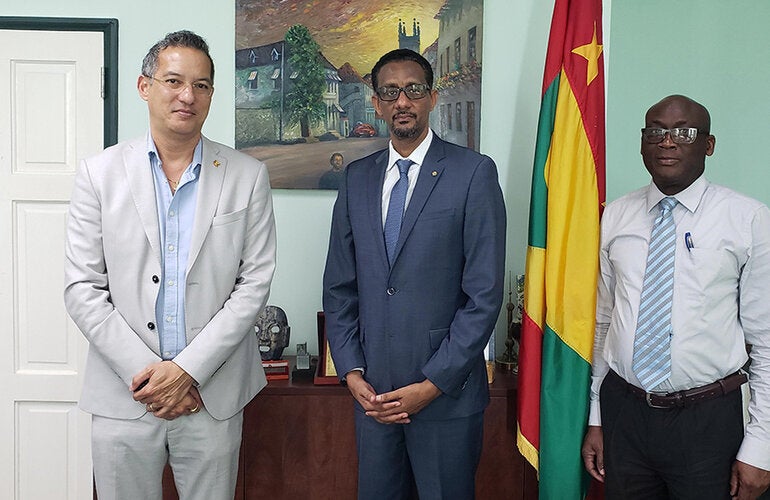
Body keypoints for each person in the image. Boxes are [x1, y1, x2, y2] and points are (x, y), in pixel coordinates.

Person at [63, 30, 276, 500]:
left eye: (202, 85)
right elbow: (82, 288)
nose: (188, 96)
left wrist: (188, 372)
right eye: (174, 80)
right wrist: (150, 376)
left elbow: (254, 284)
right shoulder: (99, 174)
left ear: (212, 95)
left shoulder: (246, 175)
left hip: (211, 395)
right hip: (125, 394)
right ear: (145, 86)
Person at [322, 48, 506, 500]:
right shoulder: (357, 179)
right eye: (390, 92)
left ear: (431, 98)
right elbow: (340, 287)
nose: (402, 101)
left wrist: (432, 384)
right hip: (375, 400)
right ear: (377, 102)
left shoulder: (473, 173)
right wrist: (351, 373)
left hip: (446, 396)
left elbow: (483, 294)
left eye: (413, 90)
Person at [581, 95, 770, 500]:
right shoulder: (615, 215)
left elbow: (767, 339)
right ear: (643, 141)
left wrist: (761, 447)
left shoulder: (747, 218)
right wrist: (597, 416)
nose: (667, 142)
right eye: (655, 131)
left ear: (708, 144)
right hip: (625, 413)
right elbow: (603, 323)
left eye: (683, 132)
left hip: (707, 420)